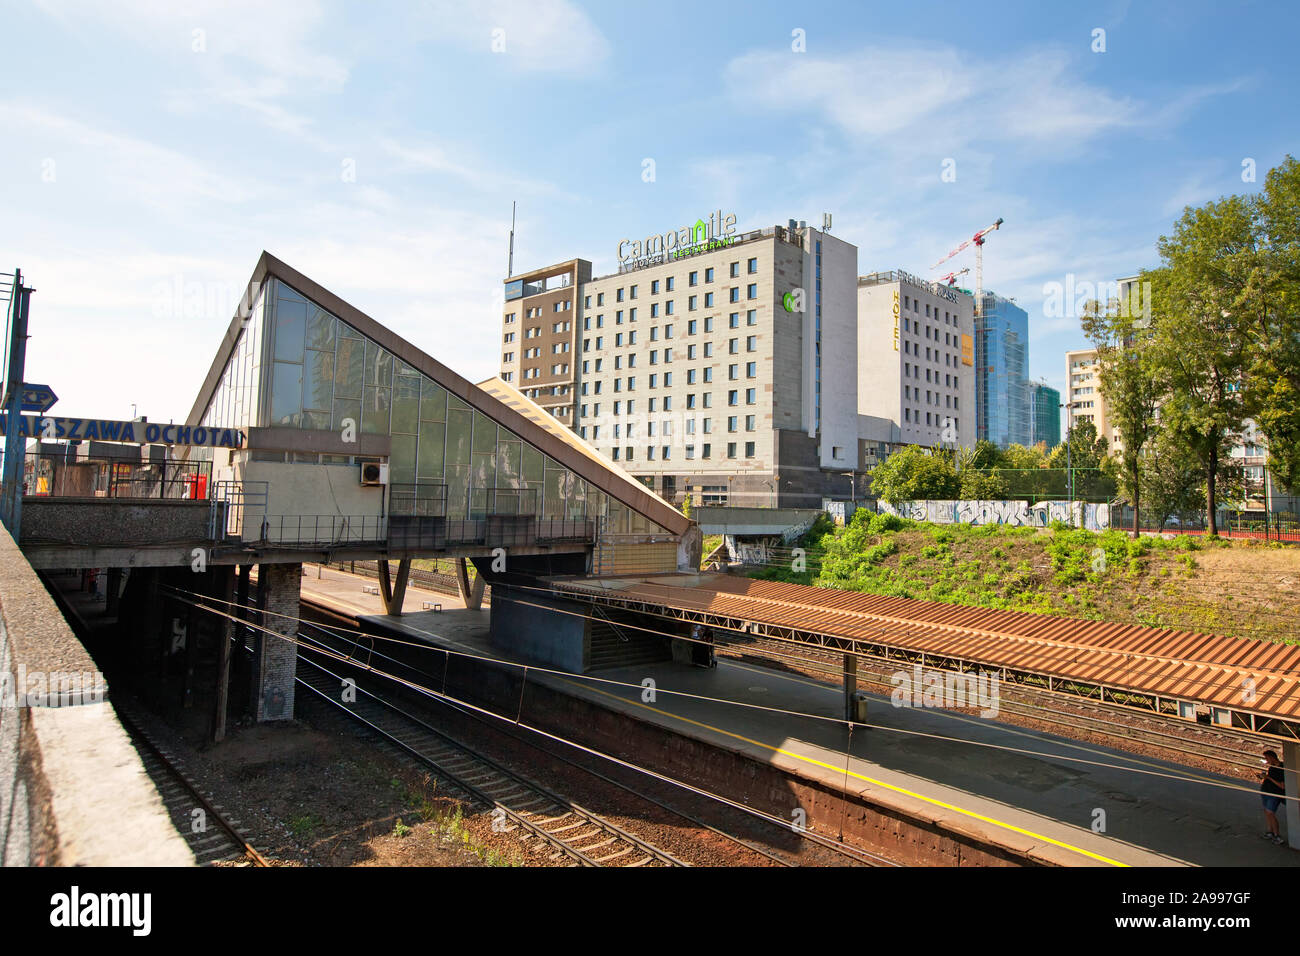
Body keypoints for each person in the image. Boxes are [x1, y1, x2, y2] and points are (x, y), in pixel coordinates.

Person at [1259, 749, 1287, 845]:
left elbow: (1282, 786)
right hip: (1266, 791)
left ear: (1272, 757)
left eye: (1267, 758)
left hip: (1274, 794)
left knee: (1270, 812)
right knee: (1267, 812)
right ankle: (1270, 831)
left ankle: (1277, 835)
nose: (1266, 761)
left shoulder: (1281, 768)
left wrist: (1268, 778)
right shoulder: (1272, 767)